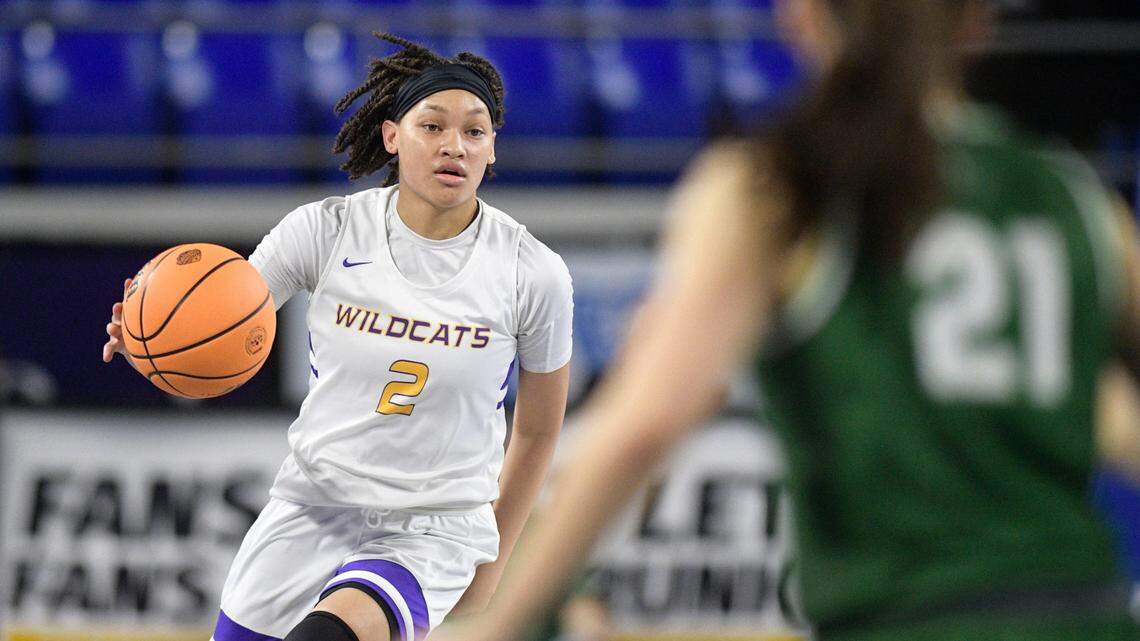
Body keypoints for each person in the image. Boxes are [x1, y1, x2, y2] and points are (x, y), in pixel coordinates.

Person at [431, 1, 1140, 641]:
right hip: (1087, 611)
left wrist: (493, 618)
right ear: (979, 20)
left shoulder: (781, 182)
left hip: (908, 615)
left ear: (800, 16)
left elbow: (643, 424)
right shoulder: (1078, 197)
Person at [102, 33, 574, 641]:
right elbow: (227, 312)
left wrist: (500, 556)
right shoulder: (325, 229)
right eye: (432, 126)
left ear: (491, 150)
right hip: (311, 504)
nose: (454, 145)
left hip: (432, 528)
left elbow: (537, 429)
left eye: (475, 131)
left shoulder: (531, 271)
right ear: (391, 137)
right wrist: (152, 332)